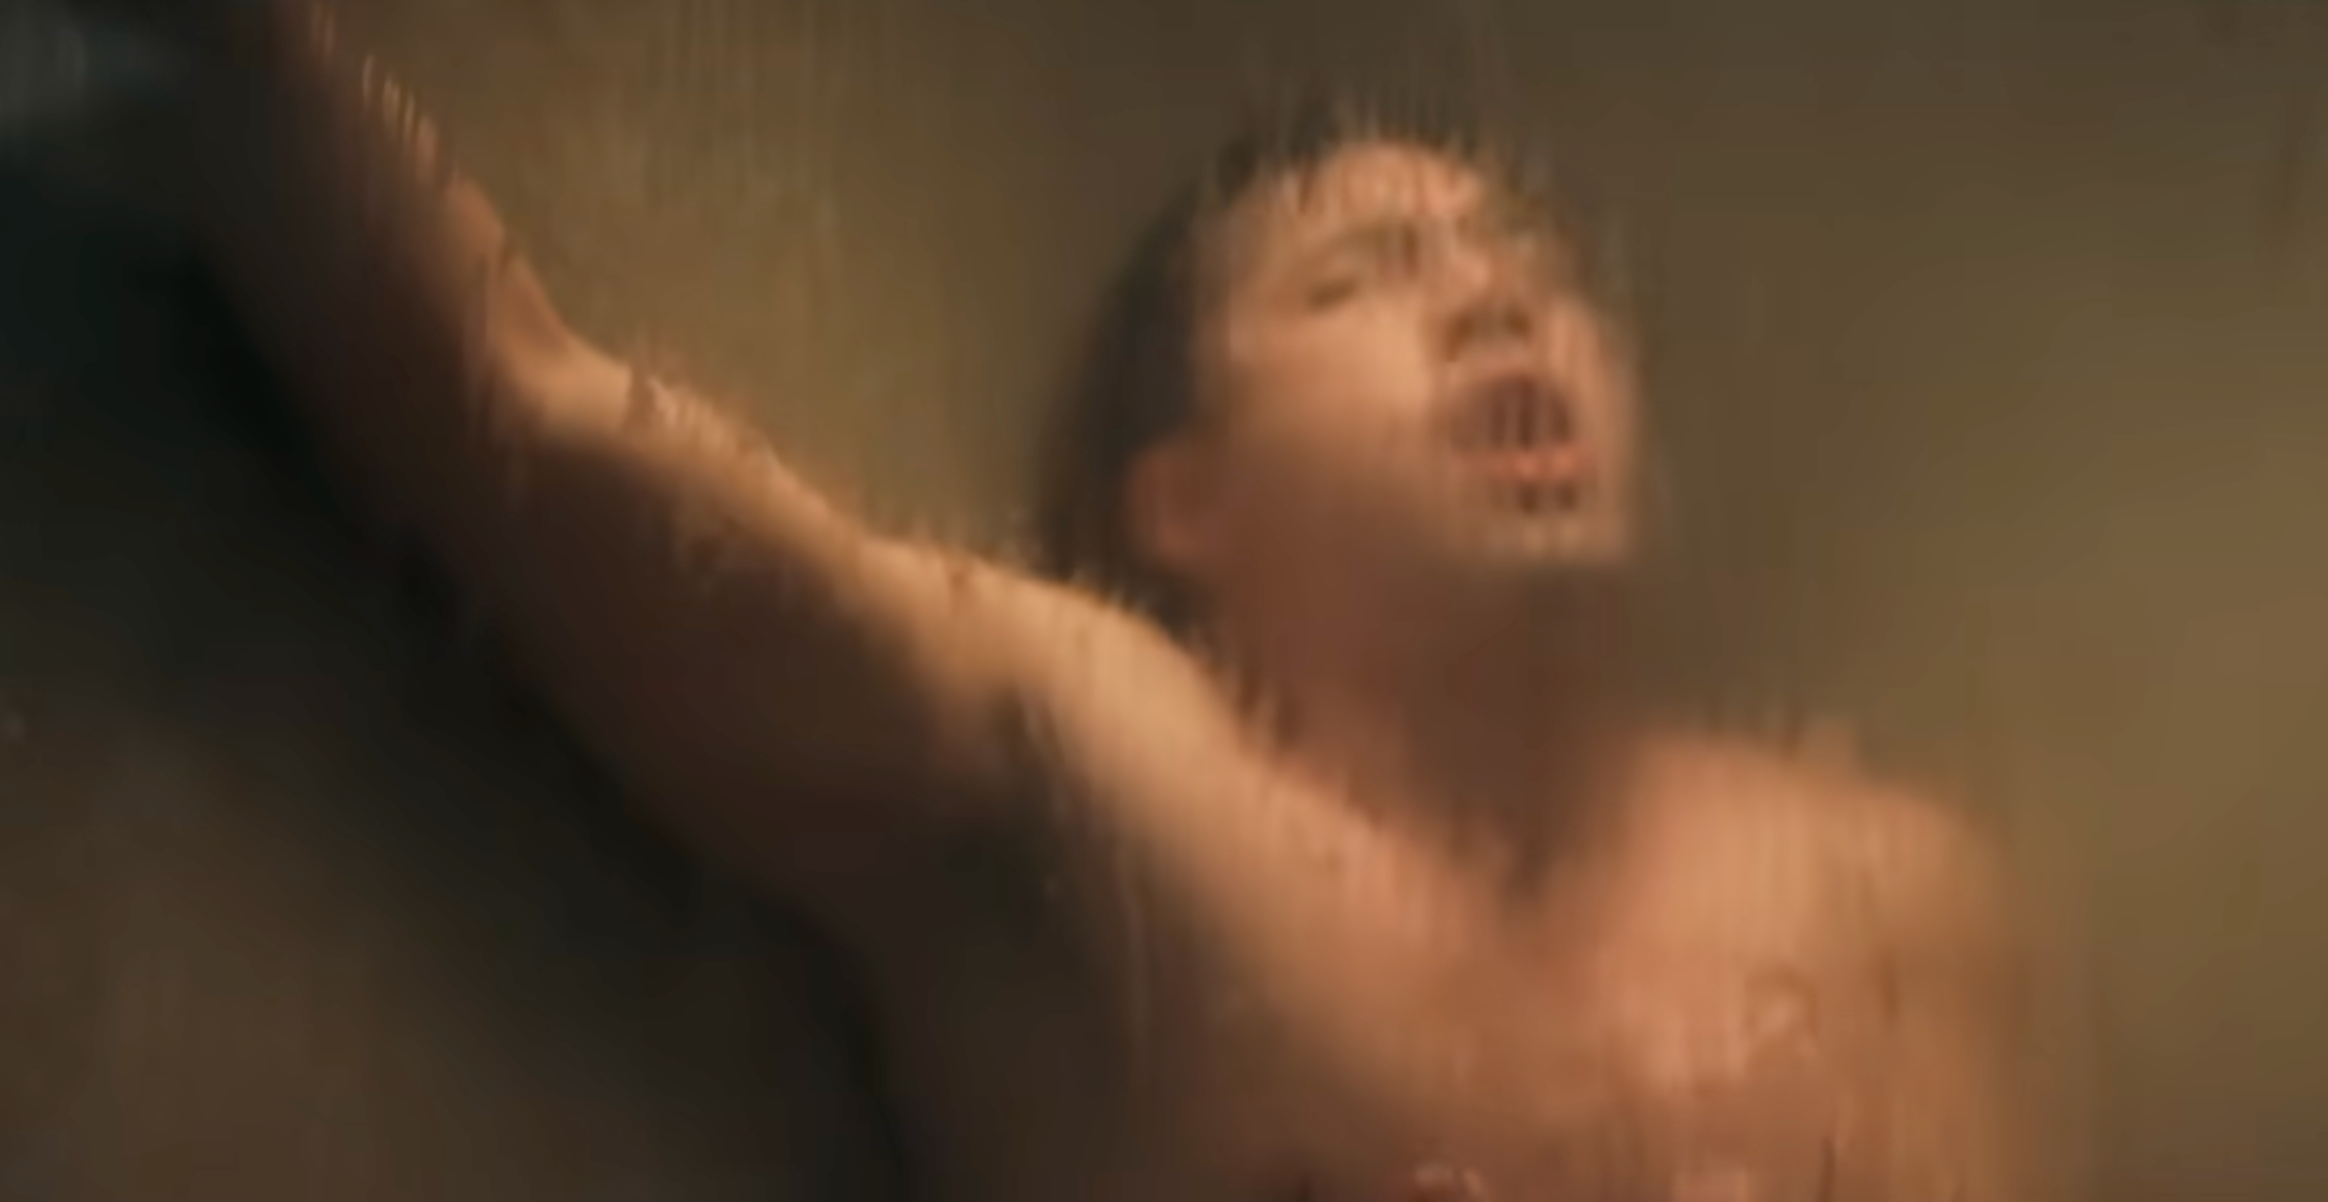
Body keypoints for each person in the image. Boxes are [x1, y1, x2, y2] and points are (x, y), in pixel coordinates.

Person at [141, 1, 2071, 1198]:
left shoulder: (1889, 889)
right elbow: (527, 423)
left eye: (1529, 256)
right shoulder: (1110, 769)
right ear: (1188, 496)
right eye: (1364, 273)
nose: (1497, 298)